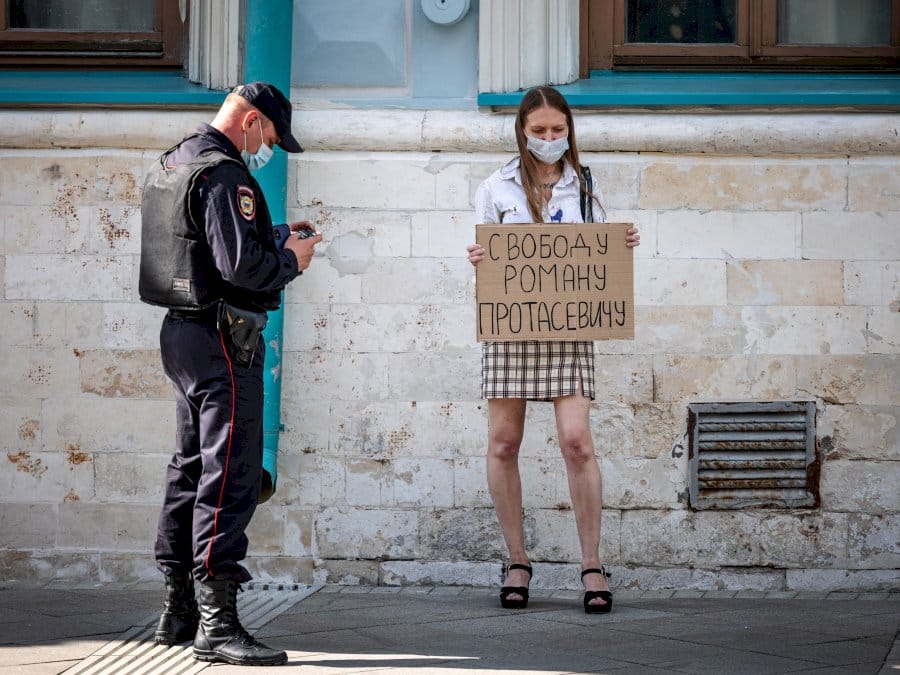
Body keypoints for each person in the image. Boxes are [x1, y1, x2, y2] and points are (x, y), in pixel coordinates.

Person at [139, 82, 322, 666]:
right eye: (268, 134)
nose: (266, 147)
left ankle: (178, 609)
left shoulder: (175, 161)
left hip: (182, 333)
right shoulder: (226, 173)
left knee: (188, 467)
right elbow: (240, 267)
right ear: (251, 121)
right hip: (224, 340)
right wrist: (292, 260)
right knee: (229, 476)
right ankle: (218, 625)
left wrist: (273, 236)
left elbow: (203, 245)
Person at [466, 86, 640, 615]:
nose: (548, 139)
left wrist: (621, 243)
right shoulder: (496, 187)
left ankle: (592, 564)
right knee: (503, 443)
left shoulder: (584, 184)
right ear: (522, 130)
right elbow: (489, 258)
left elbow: (597, 258)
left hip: (569, 326)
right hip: (512, 327)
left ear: (569, 130)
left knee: (577, 442)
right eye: (538, 131)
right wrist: (479, 255)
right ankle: (516, 559)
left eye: (557, 130)